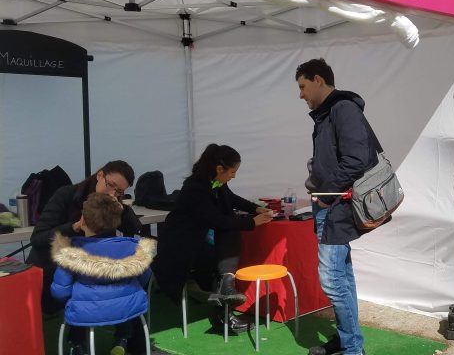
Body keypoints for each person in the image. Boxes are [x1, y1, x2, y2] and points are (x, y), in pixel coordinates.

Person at [296, 58, 375, 355]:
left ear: (318, 80)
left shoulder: (343, 108)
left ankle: (352, 348)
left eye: (303, 86)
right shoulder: (327, 113)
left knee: (331, 279)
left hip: (336, 206)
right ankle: (348, 341)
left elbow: (356, 159)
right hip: (332, 205)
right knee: (342, 275)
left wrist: (326, 195)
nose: (300, 94)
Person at [152, 144, 272, 334]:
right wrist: (252, 222)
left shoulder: (215, 181)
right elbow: (215, 220)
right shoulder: (194, 188)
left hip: (199, 241)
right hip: (181, 246)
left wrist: (255, 209)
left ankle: (226, 287)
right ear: (219, 169)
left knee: (229, 233)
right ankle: (225, 298)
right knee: (226, 236)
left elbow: (231, 198)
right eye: (233, 171)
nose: (234, 176)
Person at [28, 160, 141, 314]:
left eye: (119, 191)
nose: (112, 194)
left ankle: (127, 335)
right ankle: (78, 332)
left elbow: (135, 228)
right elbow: (38, 239)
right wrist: (73, 227)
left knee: (124, 286)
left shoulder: (112, 203)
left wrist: (123, 210)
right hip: (56, 268)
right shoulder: (66, 195)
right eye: (110, 185)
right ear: (100, 175)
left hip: (90, 270)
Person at [51, 192, 155, 355]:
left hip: (86, 312)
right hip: (128, 308)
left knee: (77, 304)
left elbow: (60, 290)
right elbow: (145, 276)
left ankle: (77, 346)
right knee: (122, 297)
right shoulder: (133, 248)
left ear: (83, 221)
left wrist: (76, 297)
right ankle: (122, 339)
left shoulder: (71, 252)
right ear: (117, 221)